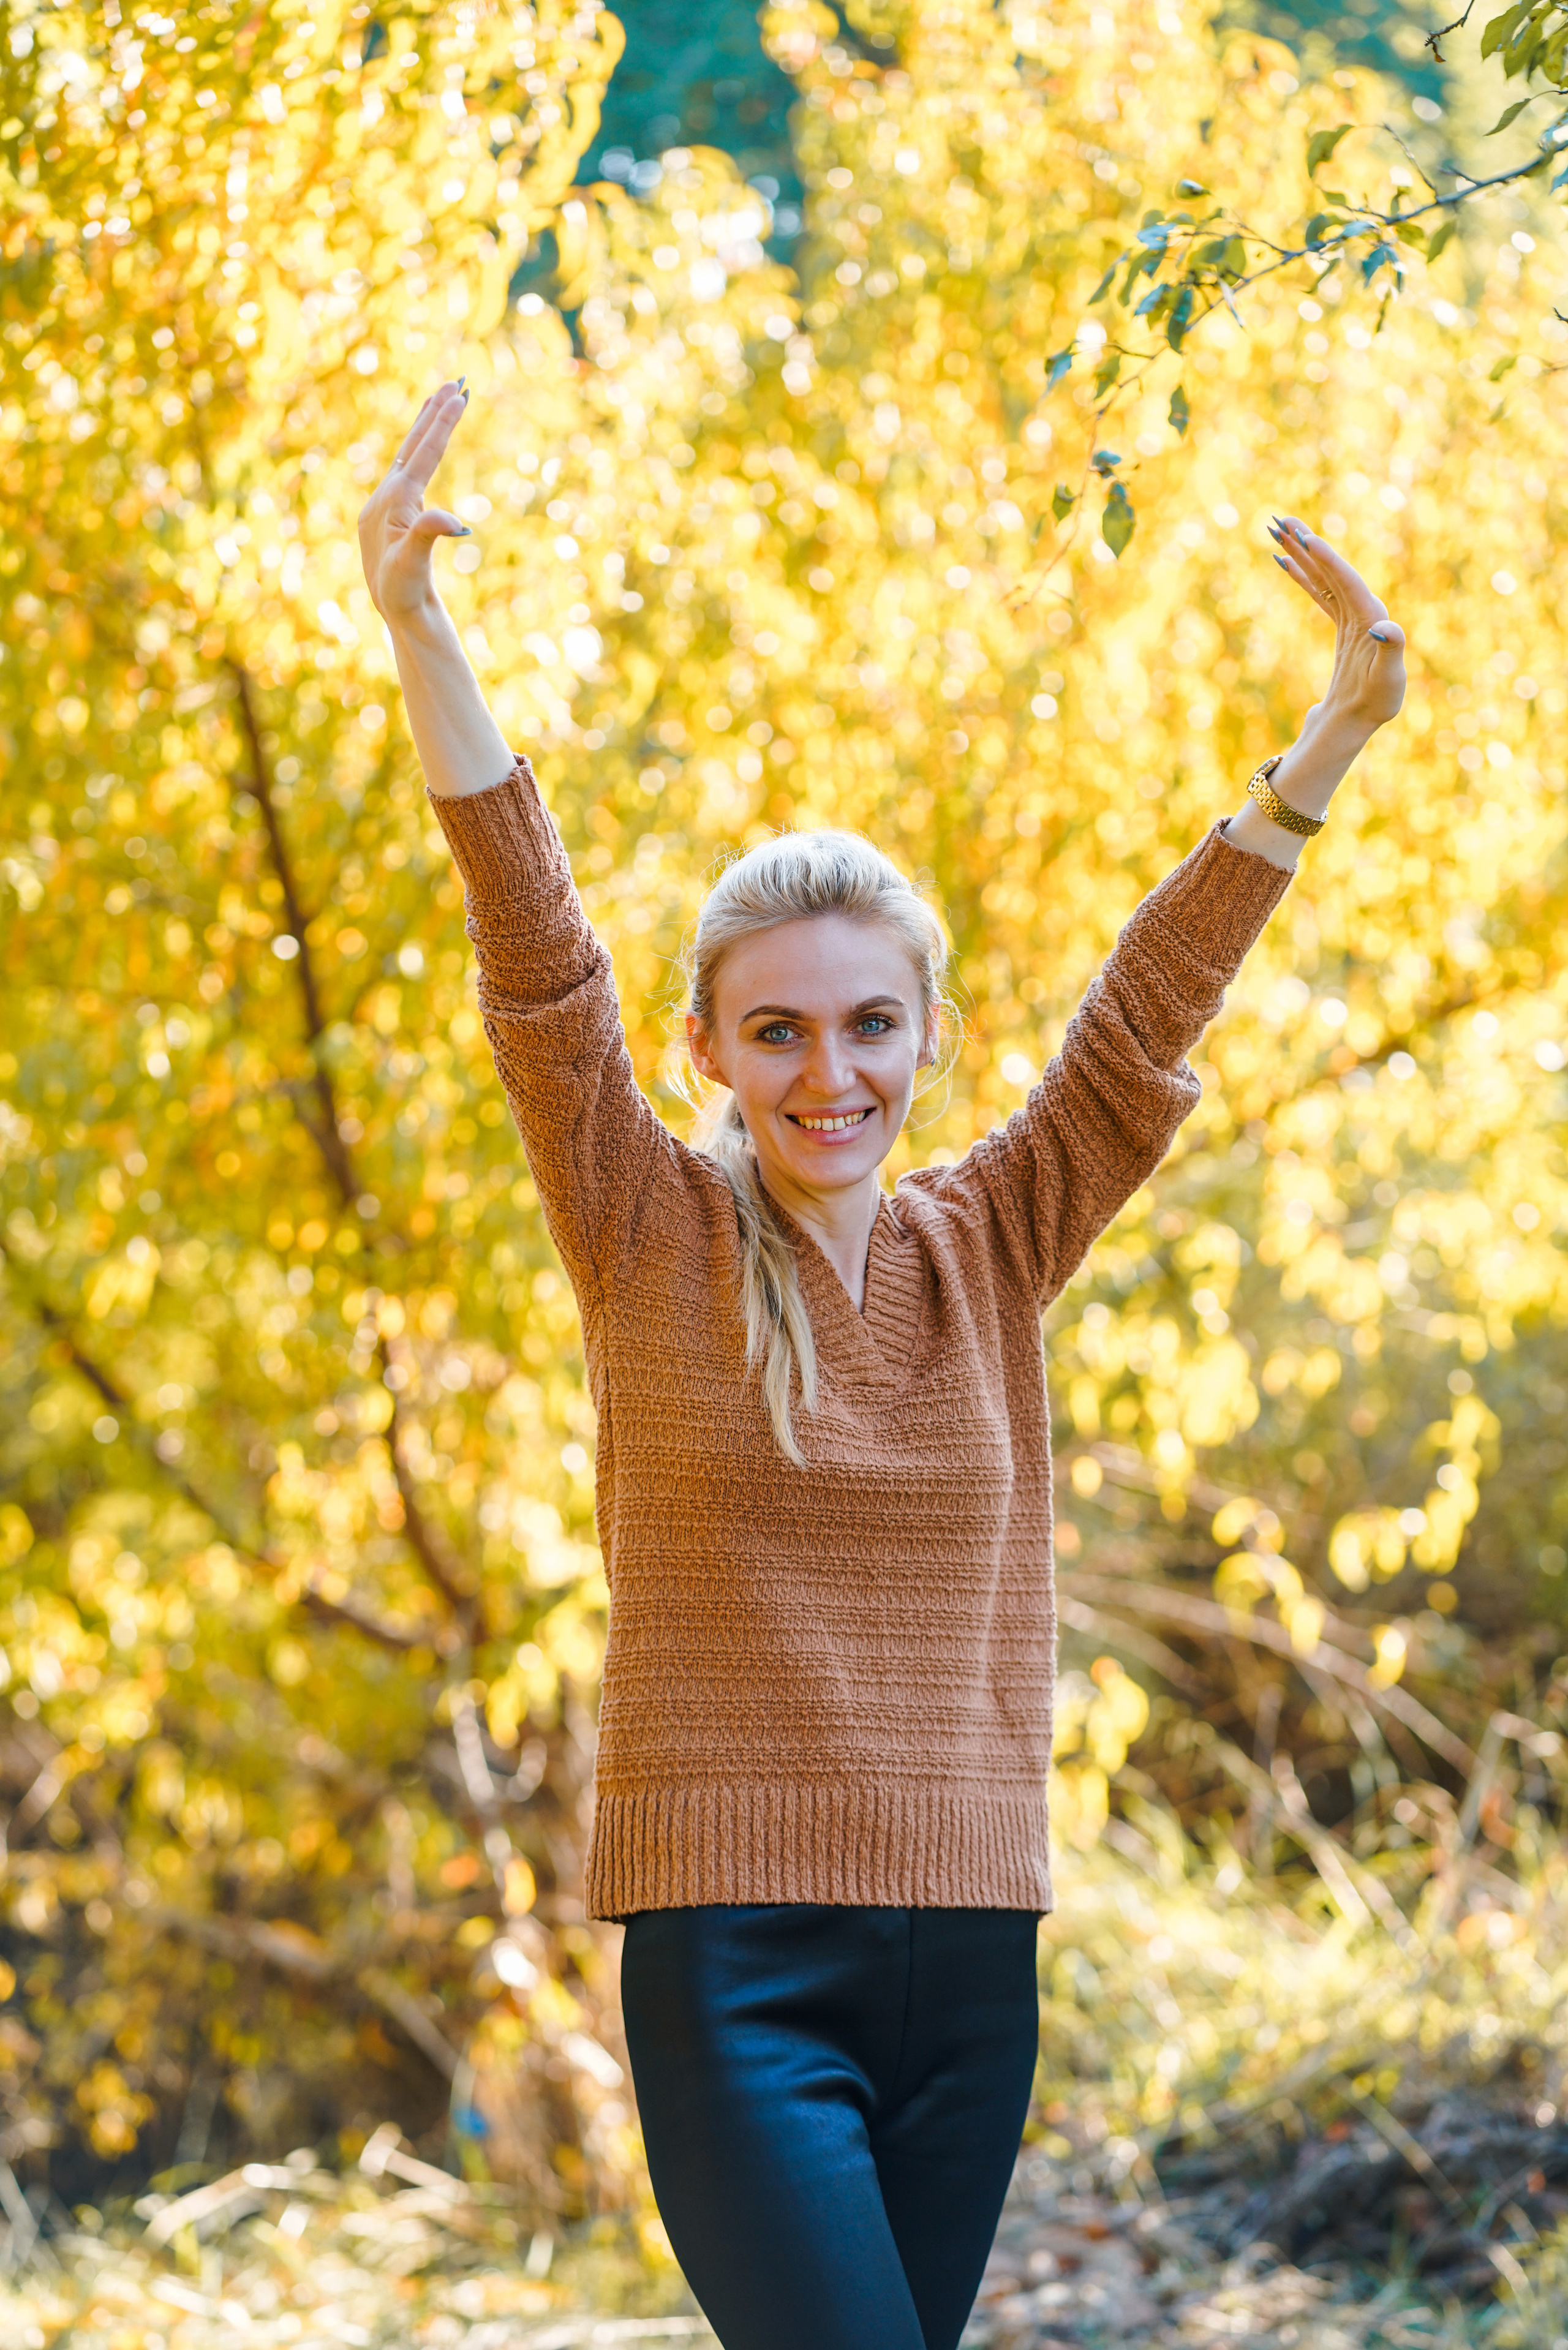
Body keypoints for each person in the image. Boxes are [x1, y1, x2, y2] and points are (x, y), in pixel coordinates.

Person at [356, 380, 1407, 2350]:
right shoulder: (643, 1227)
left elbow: (1141, 1022)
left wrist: (1322, 750)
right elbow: (538, 961)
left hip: (973, 1966)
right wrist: (421, 628)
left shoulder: (995, 1238)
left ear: (926, 1036)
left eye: (867, 1027)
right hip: (734, 1964)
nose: (826, 1073)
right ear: (707, 1051)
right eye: (776, 1032)